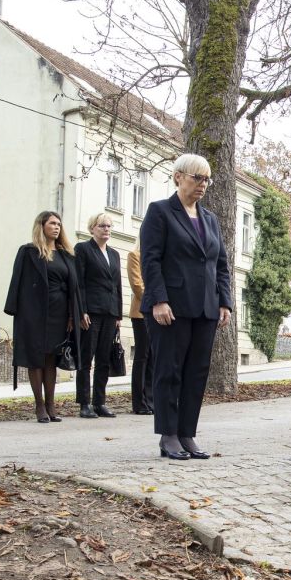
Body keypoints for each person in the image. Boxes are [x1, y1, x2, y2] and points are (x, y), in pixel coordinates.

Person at [140, 153, 232, 460]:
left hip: (205, 308)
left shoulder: (210, 219)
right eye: (197, 177)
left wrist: (224, 301)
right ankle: (168, 435)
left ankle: (187, 434)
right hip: (170, 308)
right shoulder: (160, 212)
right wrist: (159, 300)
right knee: (169, 370)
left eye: (207, 179)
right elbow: (150, 260)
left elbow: (220, 264)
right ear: (178, 177)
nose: (203, 184)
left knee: (196, 373)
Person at [5, 211, 87, 423]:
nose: (56, 227)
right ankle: (39, 405)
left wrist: (73, 315)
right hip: (34, 313)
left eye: (59, 224)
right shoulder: (28, 252)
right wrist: (14, 310)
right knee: (36, 358)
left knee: (51, 358)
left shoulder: (66, 254)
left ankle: (51, 404)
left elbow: (74, 288)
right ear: (41, 226)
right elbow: (17, 281)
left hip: (60, 314)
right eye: (52, 223)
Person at [74, 213, 123, 419]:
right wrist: (82, 310)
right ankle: (84, 403)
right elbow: (79, 282)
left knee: (104, 359)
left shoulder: (114, 254)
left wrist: (118, 314)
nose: (106, 229)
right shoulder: (83, 249)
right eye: (102, 225)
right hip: (91, 311)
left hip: (110, 312)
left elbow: (117, 285)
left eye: (109, 226)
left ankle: (99, 402)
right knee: (86, 358)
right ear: (92, 228)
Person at [127, 245, 154, 415]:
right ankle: (140, 403)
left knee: (153, 357)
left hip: (158, 314)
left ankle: (151, 400)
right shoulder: (134, 255)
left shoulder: (156, 256)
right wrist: (156, 301)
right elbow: (137, 285)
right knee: (142, 356)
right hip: (141, 313)